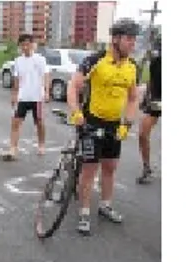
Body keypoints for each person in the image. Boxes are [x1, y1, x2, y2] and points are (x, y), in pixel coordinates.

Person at [63, 19, 144, 235]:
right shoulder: (95, 61)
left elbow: (133, 98)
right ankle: (84, 212)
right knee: (90, 170)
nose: (132, 44)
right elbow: (73, 86)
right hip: (91, 121)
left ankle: (105, 206)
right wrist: (76, 112)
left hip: (113, 124)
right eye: (129, 39)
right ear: (115, 39)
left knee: (110, 167)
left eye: (134, 39)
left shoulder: (132, 66)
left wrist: (127, 123)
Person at [4, 34, 49, 161]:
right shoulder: (18, 61)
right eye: (22, 45)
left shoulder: (40, 59)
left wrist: (46, 91)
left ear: (33, 45)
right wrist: (14, 95)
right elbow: (17, 79)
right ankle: (13, 149)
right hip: (23, 97)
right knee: (16, 122)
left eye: (27, 44)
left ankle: (41, 144)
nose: (25, 47)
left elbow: (46, 75)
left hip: (37, 97)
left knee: (39, 123)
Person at [136, 44, 161, 185]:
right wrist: (146, 98)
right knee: (142, 134)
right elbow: (151, 81)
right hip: (158, 101)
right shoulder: (156, 62)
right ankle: (146, 167)